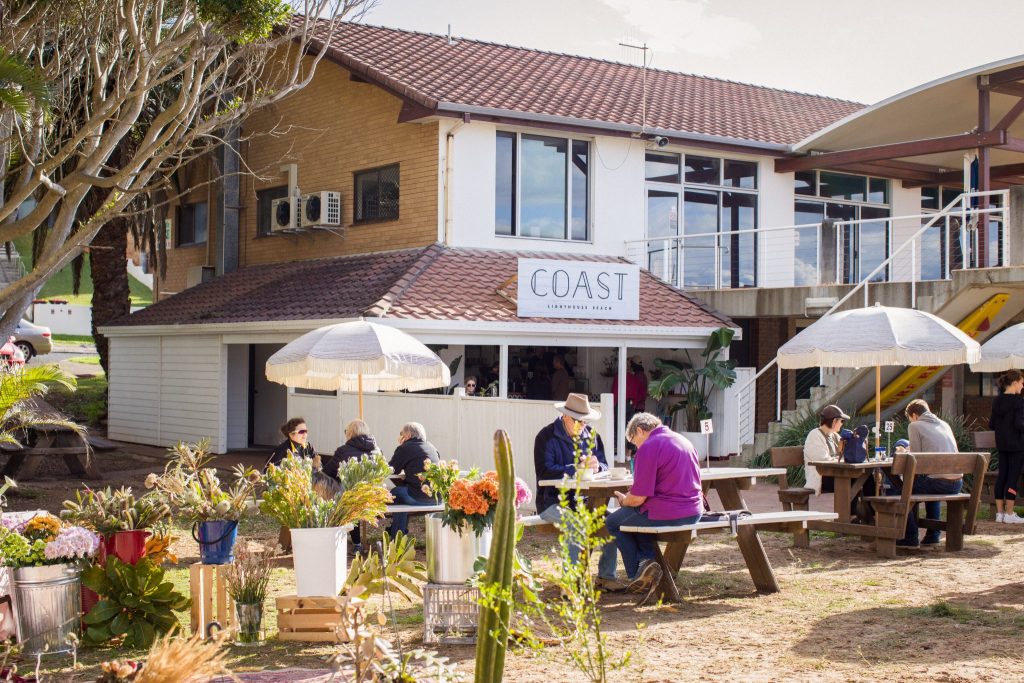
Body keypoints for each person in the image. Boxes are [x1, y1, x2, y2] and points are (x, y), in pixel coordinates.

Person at [604, 413, 703, 602]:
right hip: (694, 511)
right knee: (635, 518)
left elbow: (638, 499)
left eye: (634, 441)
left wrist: (624, 500)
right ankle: (645, 562)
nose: (636, 447)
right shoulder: (683, 440)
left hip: (668, 512)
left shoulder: (649, 446)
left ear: (640, 430)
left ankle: (637, 574)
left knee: (614, 521)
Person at [533, 393, 618, 587]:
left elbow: (604, 465)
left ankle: (606, 577)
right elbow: (544, 472)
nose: (582, 425)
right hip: (552, 503)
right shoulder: (546, 436)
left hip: (586, 502)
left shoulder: (592, 435)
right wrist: (575, 468)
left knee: (612, 522)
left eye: (585, 421)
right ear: (565, 417)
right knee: (575, 524)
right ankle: (570, 583)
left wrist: (597, 466)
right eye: (578, 421)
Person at [896, 399, 962, 547]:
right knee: (930, 484)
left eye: (909, 418)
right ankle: (933, 534)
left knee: (900, 490)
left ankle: (910, 537)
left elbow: (916, 459)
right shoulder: (944, 424)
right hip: (957, 483)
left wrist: (903, 451)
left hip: (938, 482)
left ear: (914, 415)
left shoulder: (915, 426)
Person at [328, 419, 382, 553]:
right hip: (374, 495)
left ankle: (356, 543)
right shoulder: (377, 450)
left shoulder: (343, 451)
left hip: (353, 497)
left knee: (347, 496)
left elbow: (328, 472)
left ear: (350, 433)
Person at [386, 422, 441, 536]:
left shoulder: (405, 448)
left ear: (408, 435)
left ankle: (397, 536)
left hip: (419, 497)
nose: (400, 436)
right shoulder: (432, 447)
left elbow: (392, 469)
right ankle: (396, 532)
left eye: (401, 434)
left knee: (394, 494)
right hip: (437, 498)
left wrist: (401, 447)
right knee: (401, 495)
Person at [990, 370, 1024, 524]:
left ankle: (1000, 514)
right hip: (1016, 445)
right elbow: (1019, 424)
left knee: (1002, 476)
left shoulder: (997, 401)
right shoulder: (1018, 401)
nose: (1022, 387)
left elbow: (991, 424)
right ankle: (1010, 513)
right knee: (1013, 477)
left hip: (1001, 444)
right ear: (1015, 382)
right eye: (1022, 383)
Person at [803, 404, 848, 496]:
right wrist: (841, 459)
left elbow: (845, 453)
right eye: (841, 421)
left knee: (865, 478)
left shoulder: (834, 435)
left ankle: (867, 510)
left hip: (835, 474)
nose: (842, 423)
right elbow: (822, 460)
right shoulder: (814, 435)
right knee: (852, 480)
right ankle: (850, 510)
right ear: (834, 421)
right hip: (822, 478)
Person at [611, 355, 649, 420]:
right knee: (629, 425)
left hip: (630, 405)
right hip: (632, 405)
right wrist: (633, 402)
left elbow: (615, 391)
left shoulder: (635, 376)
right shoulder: (639, 376)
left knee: (620, 425)